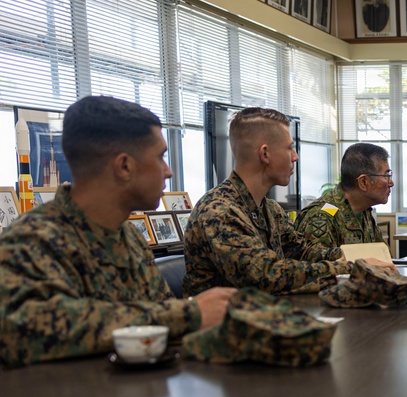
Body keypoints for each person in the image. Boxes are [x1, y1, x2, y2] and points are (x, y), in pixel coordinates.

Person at [0, 96, 235, 369]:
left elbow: (161, 325)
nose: (169, 171)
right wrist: (189, 314)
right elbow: (24, 332)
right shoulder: (31, 242)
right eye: (160, 157)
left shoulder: (130, 237)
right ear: (124, 166)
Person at [183, 108, 393, 296]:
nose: (295, 157)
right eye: (289, 148)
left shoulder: (270, 208)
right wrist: (350, 267)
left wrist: (361, 257)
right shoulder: (220, 211)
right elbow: (266, 275)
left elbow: (304, 252)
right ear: (265, 154)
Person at [295, 142, 391, 254]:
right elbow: (318, 268)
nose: (391, 183)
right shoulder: (321, 216)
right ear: (363, 182)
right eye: (386, 176)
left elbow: (384, 258)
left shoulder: (364, 212)